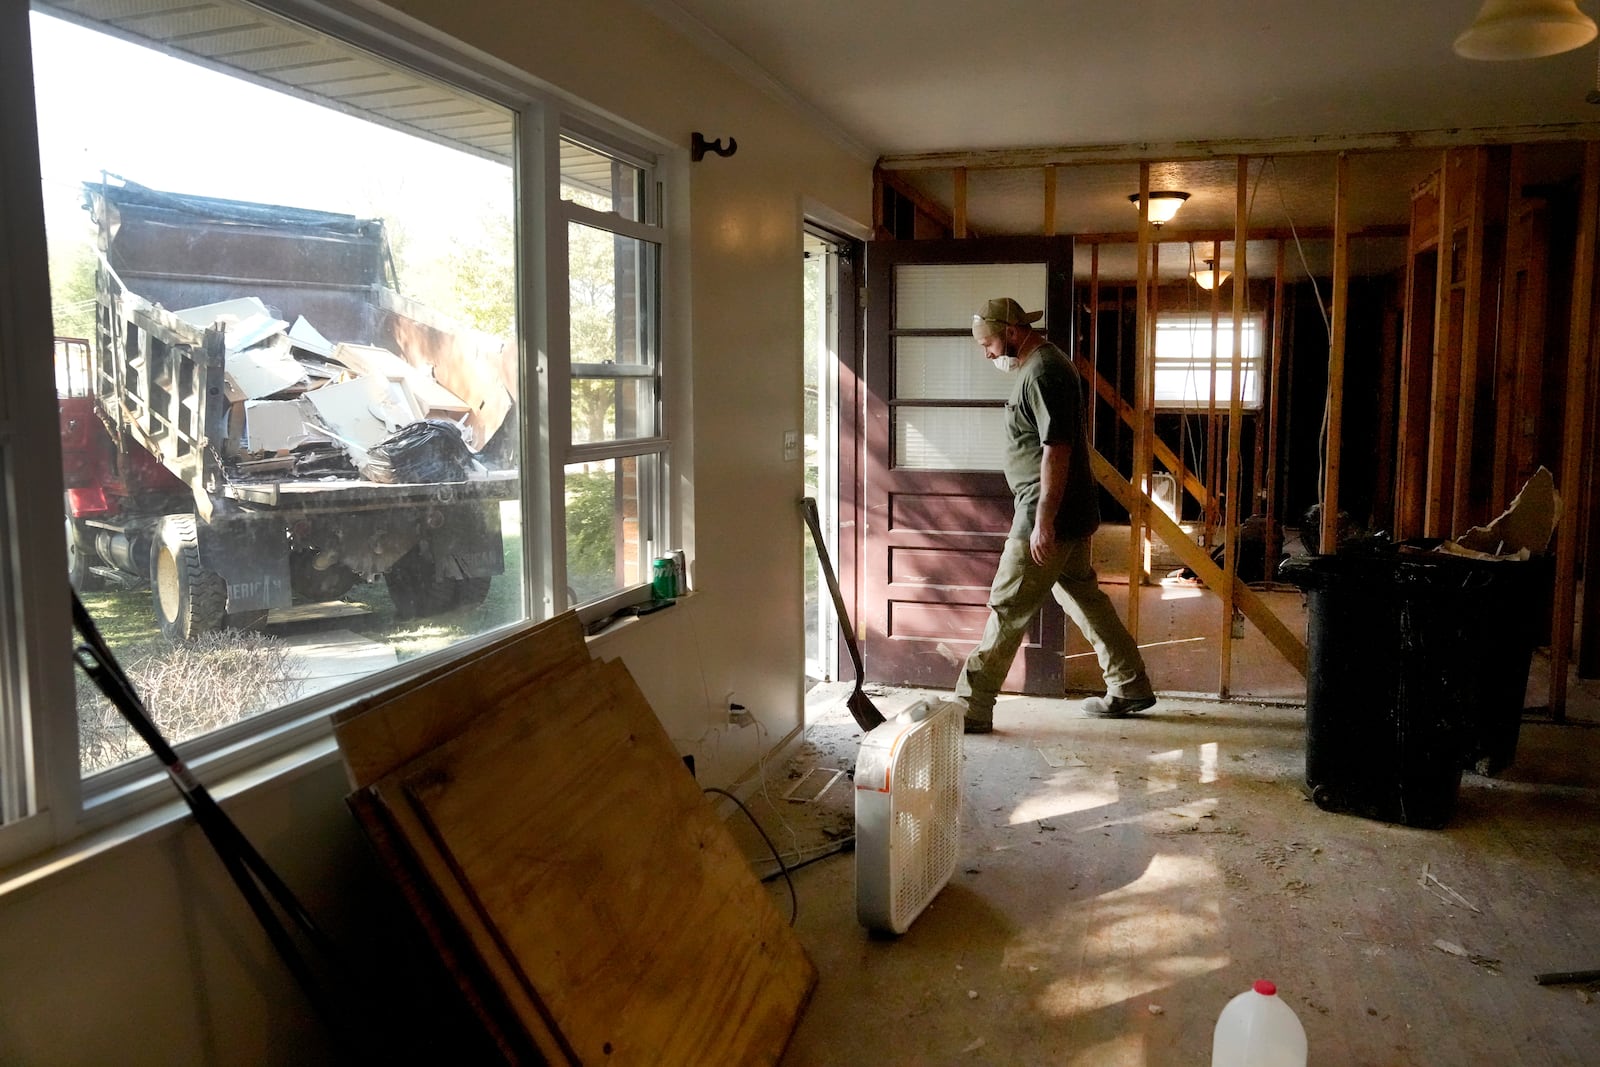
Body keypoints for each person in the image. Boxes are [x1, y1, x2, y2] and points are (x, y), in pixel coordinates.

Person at [955, 297, 1156, 733]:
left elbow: (1056, 451)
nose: (987, 352)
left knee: (1007, 608)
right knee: (1084, 598)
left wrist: (1043, 521)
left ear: (1011, 331)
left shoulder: (1044, 370)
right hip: (1065, 512)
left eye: (988, 343)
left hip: (1045, 515)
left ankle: (970, 708)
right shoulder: (1041, 366)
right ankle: (1130, 684)